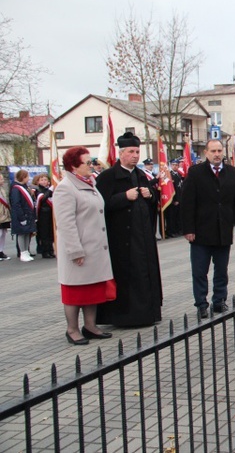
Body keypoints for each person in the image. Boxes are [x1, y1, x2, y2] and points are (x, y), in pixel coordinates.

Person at [95, 132, 163, 327]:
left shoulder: (141, 175)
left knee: (144, 273)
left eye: (137, 151)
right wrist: (124, 197)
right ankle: (126, 317)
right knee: (128, 277)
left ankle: (148, 312)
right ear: (121, 153)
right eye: (131, 152)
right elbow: (101, 205)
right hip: (121, 238)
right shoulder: (108, 177)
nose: (135, 155)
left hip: (143, 236)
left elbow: (153, 203)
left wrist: (150, 195)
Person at [53, 146, 115, 345]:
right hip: (79, 250)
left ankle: (90, 326)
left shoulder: (90, 183)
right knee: (75, 292)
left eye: (92, 161)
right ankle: (72, 329)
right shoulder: (66, 187)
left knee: (92, 289)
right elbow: (65, 223)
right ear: (73, 166)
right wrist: (75, 250)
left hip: (94, 249)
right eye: (87, 163)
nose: (92, 165)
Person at [180, 139, 235, 319]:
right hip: (200, 232)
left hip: (223, 230)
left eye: (219, 150)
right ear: (206, 153)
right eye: (213, 151)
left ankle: (219, 300)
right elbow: (187, 203)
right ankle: (201, 303)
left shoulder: (232, 173)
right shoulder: (196, 173)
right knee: (200, 271)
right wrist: (188, 229)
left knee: (221, 270)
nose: (217, 154)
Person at [10, 169, 37, 262]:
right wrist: (21, 217)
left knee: (27, 233)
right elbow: (16, 204)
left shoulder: (24, 187)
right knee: (22, 234)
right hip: (21, 215)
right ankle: (23, 252)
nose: (28, 179)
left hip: (27, 214)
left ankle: (26, 251)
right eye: (27, 177)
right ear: (23, 177)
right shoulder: (16, 188)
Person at [32, 174, 55, 258]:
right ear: (38, 182)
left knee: (50, 233)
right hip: (42, 214)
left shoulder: (48, 190)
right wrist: (49, 191)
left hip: (50, 213)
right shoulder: (37, 190)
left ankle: (50, 250)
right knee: (44, 233)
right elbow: (42, 199)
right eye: (42, 180)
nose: (44, 181)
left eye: (45, 180)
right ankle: (45, 251)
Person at [165, 159, 183, 238]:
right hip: (173, 199)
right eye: (173, 165)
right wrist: (174, 200)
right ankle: (170, 231)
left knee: (178, 216)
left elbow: (179, 187)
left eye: (176, 165)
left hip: (179, 198)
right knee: (171, 217)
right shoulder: (169, 174)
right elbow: (171, 189)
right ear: (171, 165)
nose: (175, 166)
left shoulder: (178, 174)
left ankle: (177, 230)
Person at [0, 173, 11, 261]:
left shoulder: (2, 189)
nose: (2, 181)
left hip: (4, 215)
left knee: (3, 233)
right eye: (1, 179)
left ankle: (1, 251)